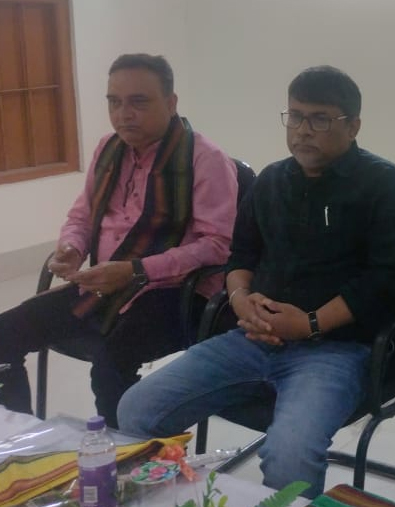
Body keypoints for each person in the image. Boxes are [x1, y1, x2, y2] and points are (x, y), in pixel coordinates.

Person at [117, 66, 395, 497]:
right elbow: (242, 256)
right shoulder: (273, 181)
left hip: (335, 349)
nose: (303, 130)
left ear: (353, 126)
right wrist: (241, 301)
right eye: (295, 116)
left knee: (289, 458)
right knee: (136, 410)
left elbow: (384, 283)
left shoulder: (387, 187)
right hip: (253, 337)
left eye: (320, 119)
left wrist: (309, 324)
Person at [0, 54, 238, 428]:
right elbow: (82, 216)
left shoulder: (205, 159)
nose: (124, 114)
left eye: (138, 102)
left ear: (171, 103)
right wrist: (71, 248)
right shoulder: (108, 149)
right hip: (105, 286)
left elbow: (217, 246)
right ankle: (22, 445)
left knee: (109, 367)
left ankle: (126, 459)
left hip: (176, 294)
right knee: (5, 334)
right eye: (114, 102)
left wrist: (136, 271)